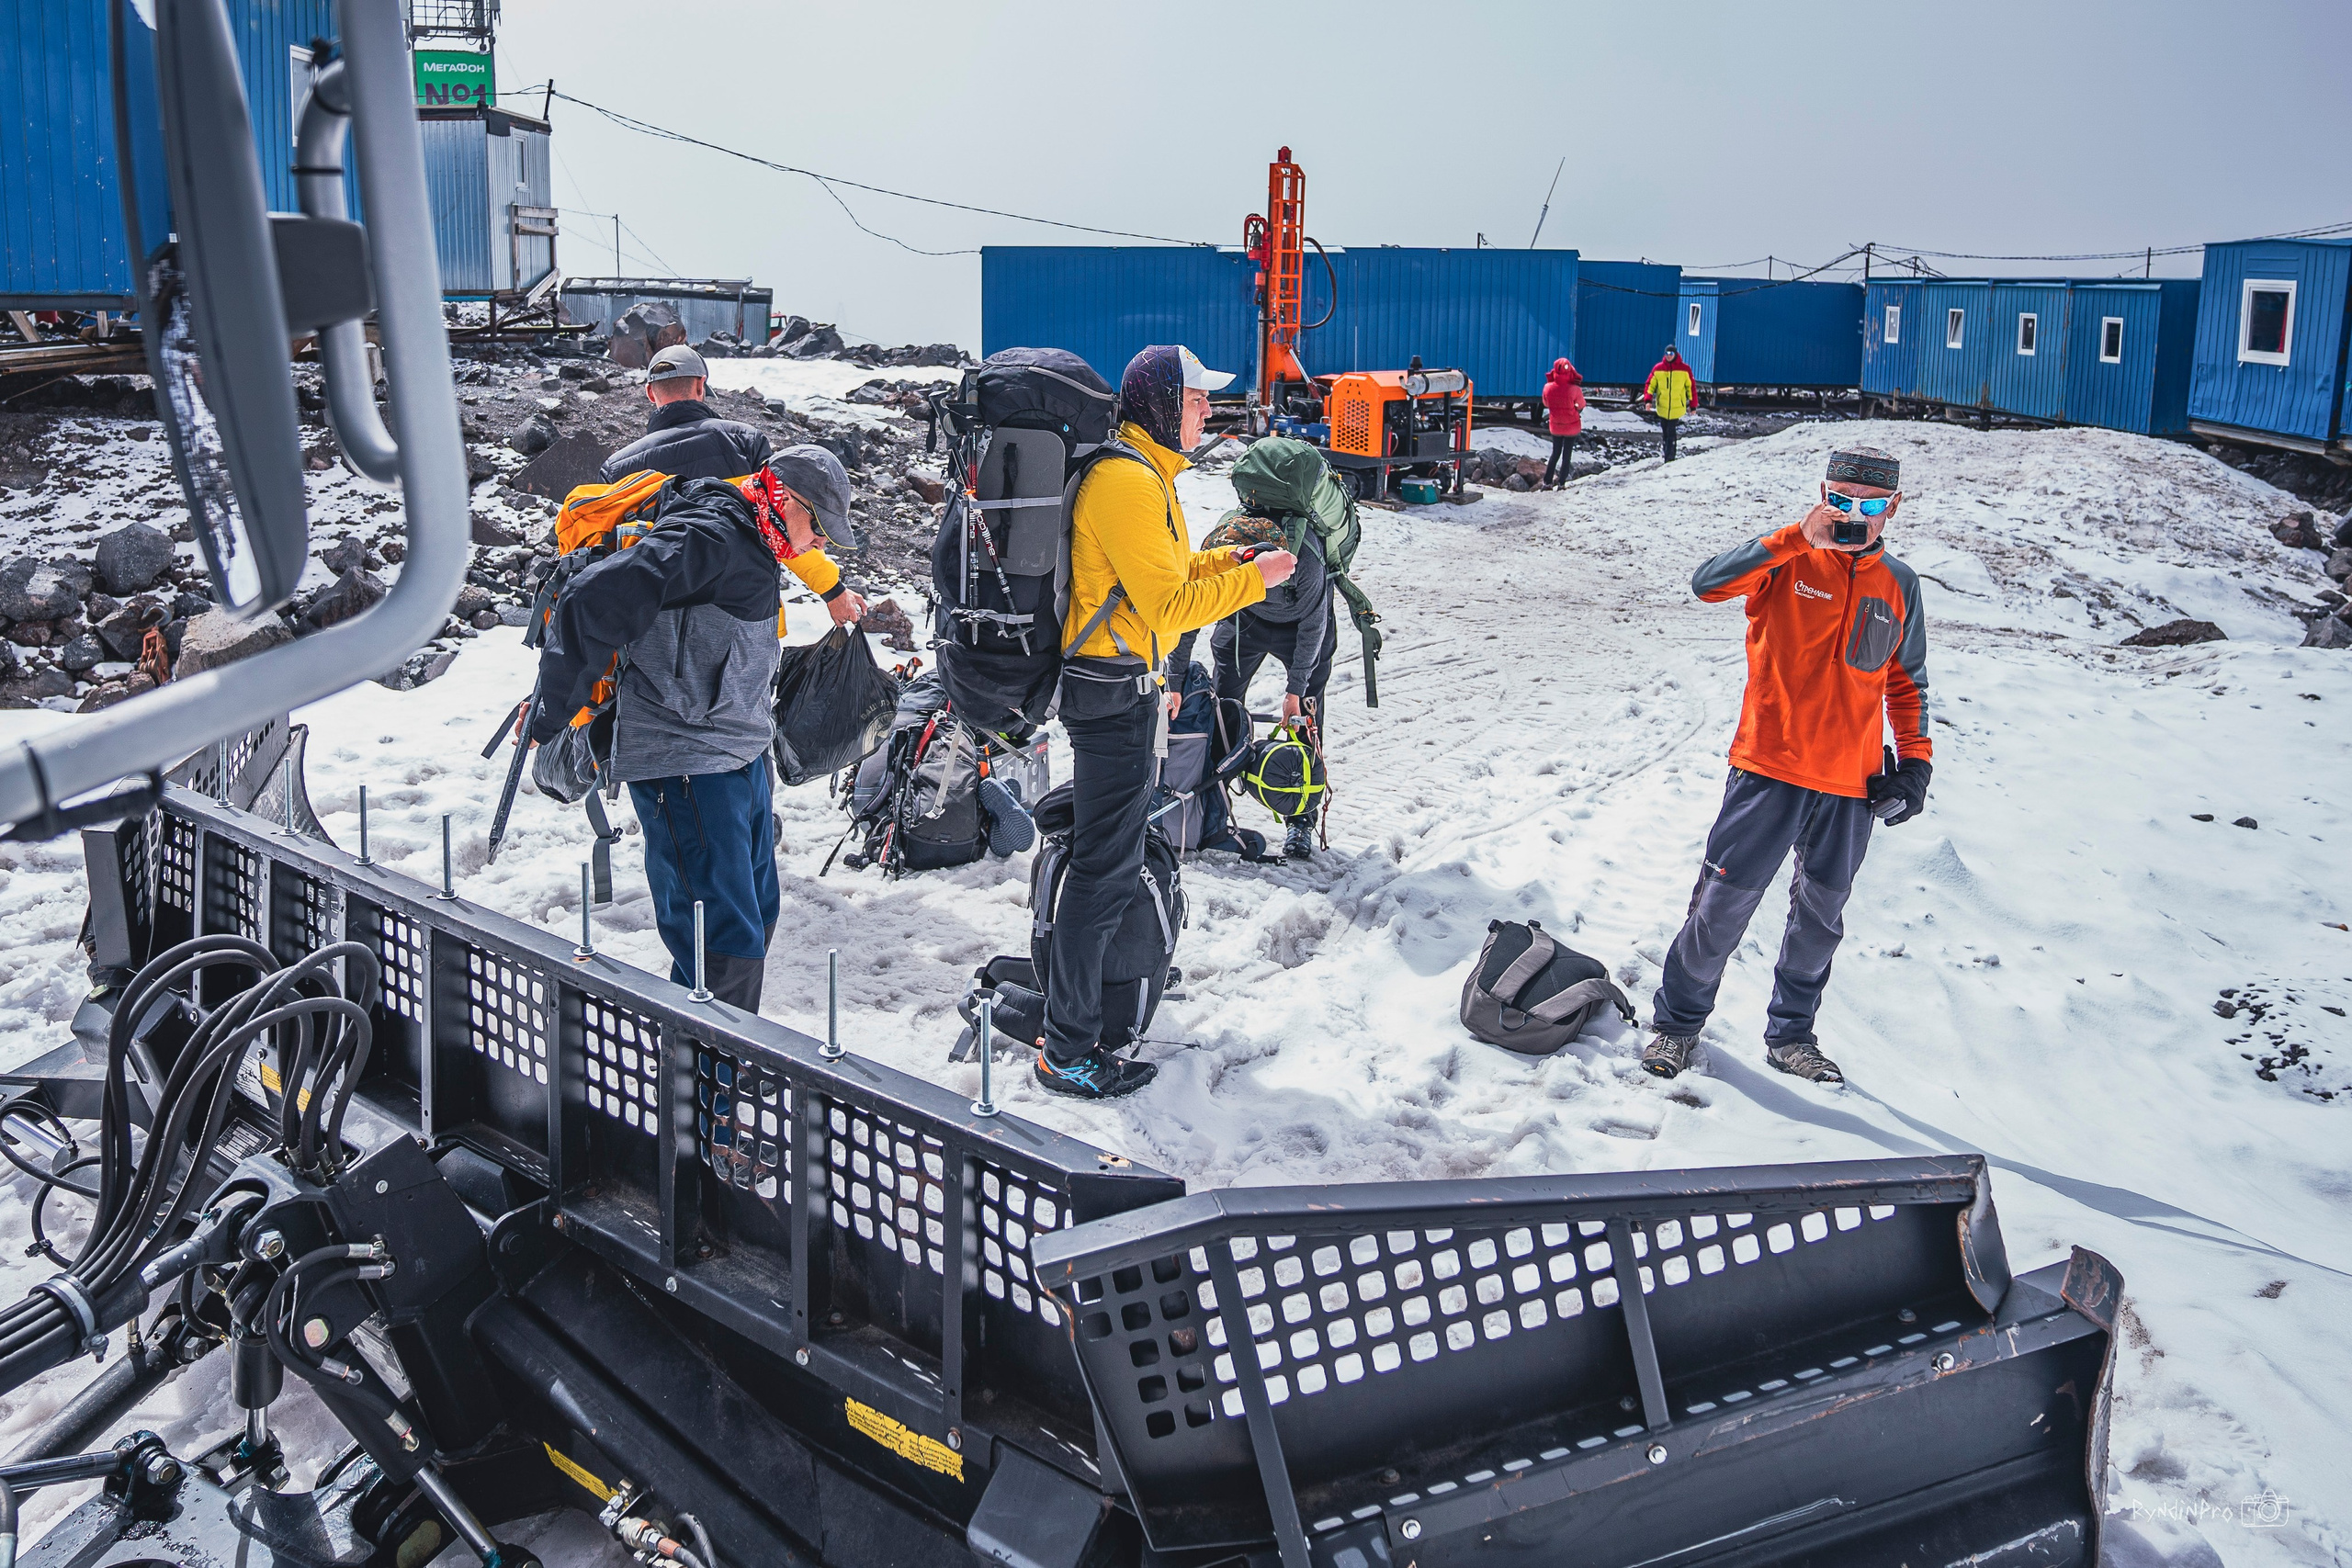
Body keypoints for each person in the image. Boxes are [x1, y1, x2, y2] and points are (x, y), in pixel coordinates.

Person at [1038, 344, 1295, 1100]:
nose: (1206, 413)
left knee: (1109, 857)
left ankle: (1090, 1003)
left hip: (1125, 688)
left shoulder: (1146, 475)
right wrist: (1255, 582)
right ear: (1160, 405)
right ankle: (1067, 1047)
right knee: (1101, 869)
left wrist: (1235, 561)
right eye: (1195, 401)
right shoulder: (1125, 482)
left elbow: (1171, 574)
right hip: (1111, 693)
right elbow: (1169, 609)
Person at [530, 445, 865, 1011]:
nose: (820, 543)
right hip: (685, 759)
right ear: (783, 498)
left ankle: (728, 1060)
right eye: (819, 528)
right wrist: (553, 710)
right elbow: (591, 599)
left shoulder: (755, 529)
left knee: (754, 912)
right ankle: (709, 1087)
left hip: (738, 748)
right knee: (721, 935)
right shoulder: (709, 535)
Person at [1641, 446, 1933, 1086]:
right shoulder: (1785, 557)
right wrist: (1794, 538)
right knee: (1721, 907)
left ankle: (1791, 1037)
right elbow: (1706, 583)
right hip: (1767, 771)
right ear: (1823, 493)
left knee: (1820, 922)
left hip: (1850, 786)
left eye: (1872, 504)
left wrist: (1914, 764)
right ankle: (1677, 1025)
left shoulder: (1900, 584)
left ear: (1895, 507)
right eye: (1843, 500)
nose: (1856, 515)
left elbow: (1906, 685)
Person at [603, 343, 865, 630]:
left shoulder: (619, 467)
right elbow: (786, 524)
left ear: (650, 392)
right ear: (702, 386)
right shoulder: (744, 443)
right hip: (745, 619)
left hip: (652, 626)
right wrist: (832, 589)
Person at [1636, 344, 1695, 463]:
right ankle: (1666, 454)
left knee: (1671, 431)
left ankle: (1670, 457)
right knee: (1665, 431)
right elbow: (1650, 385)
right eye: (1667, 354)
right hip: (1663, 406)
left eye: (1671, 354)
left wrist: (1693, 406)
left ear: (1675, 354)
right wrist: (1648, 400)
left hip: (1677, 406)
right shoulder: (1658, 369)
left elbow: (1691, 388)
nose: (1669, 356)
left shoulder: (1684, 369)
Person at [1540, 357, 1585, 488]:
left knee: (1555, 453)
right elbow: (1581, 404)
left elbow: (1545, 403)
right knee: (1567, 455)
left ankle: (1547, 482)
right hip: (1572, 426)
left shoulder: (1548, 388)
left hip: (1556, 425)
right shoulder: (1575, 389)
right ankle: (1561, 483)